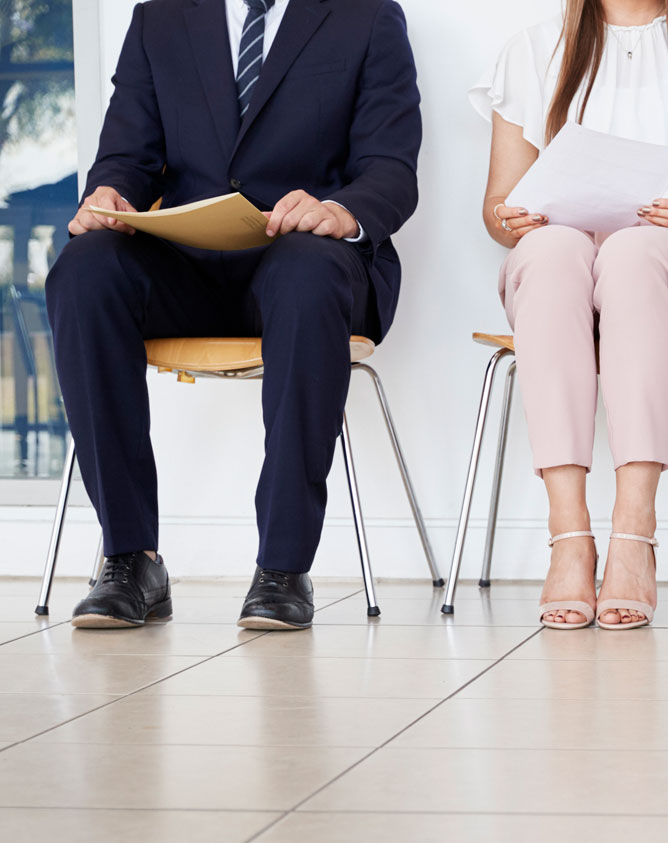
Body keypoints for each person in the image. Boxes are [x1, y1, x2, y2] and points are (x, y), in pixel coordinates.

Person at [50, 0, 421, 631]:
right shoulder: (159, 18)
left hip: (303, 261)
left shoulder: (368, 16)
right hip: (186, 265)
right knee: (84, 270)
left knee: (307, 271)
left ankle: (282, 567)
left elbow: (390, 167)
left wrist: (341, 210)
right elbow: (128, 157)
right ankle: (129, 558)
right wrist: (110, 192)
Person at [475, 0, 668, 629]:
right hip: (563, 277)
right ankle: (570, 535)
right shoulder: (532, 50)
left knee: (633, 252)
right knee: (555, 245)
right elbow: (497, 207)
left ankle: (634, 532)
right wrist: (514, 217)